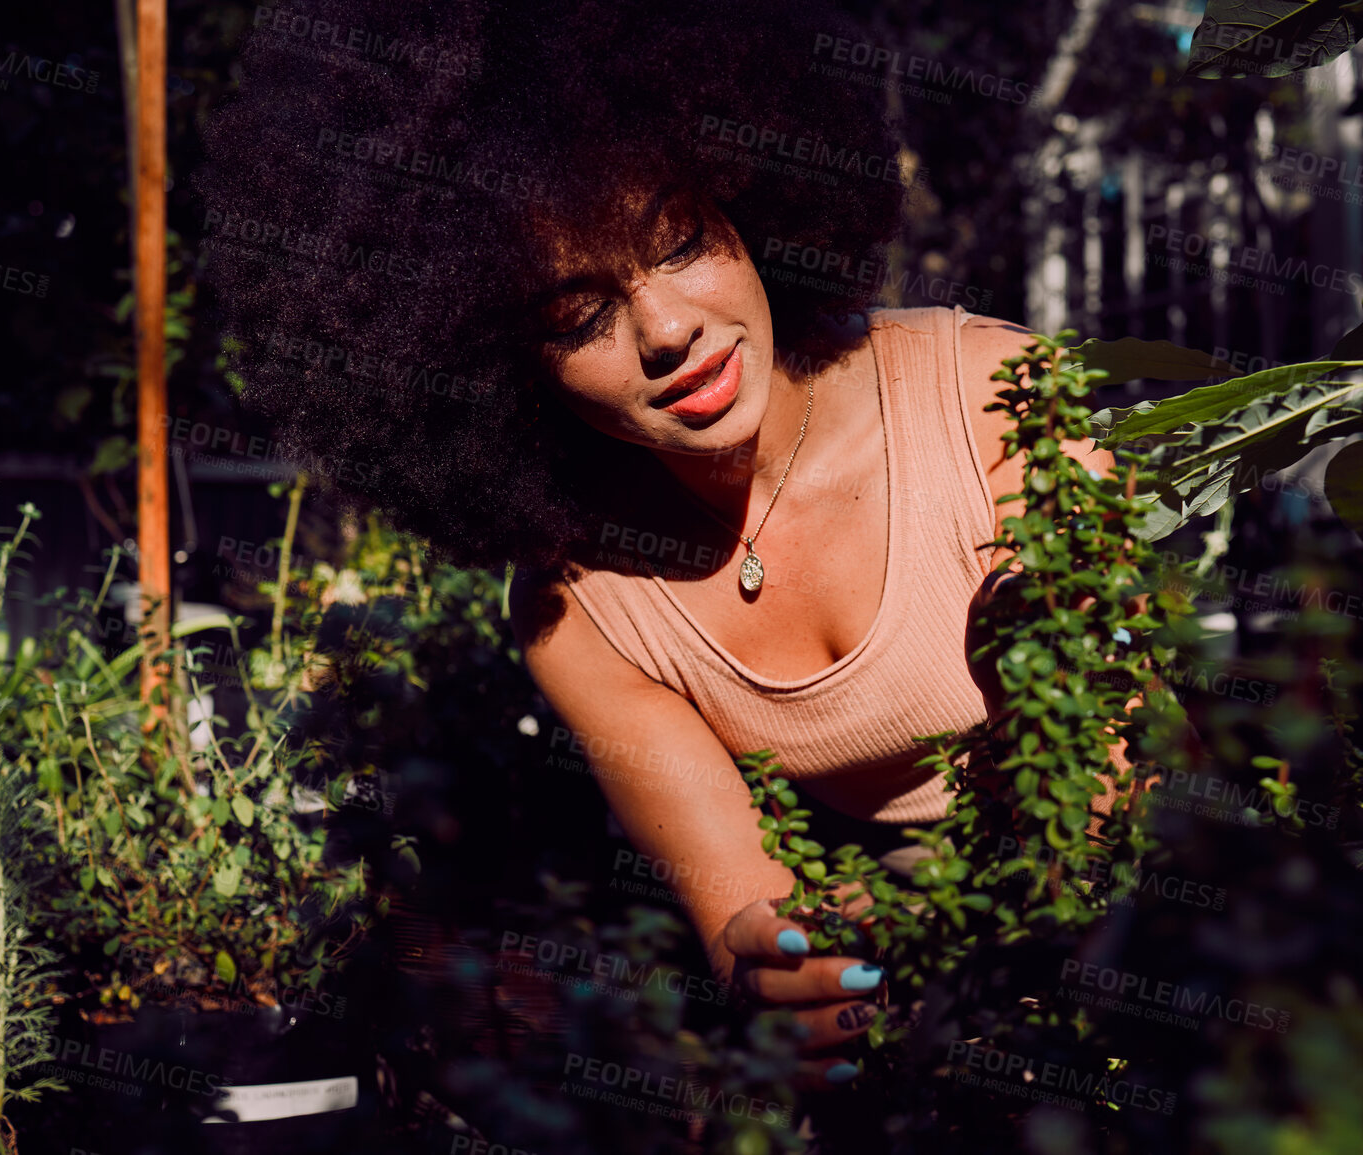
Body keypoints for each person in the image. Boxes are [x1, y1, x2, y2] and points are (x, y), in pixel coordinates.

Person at [198, 0, 1111, 1087]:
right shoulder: (581, 606)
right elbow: (749, 914)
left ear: (748, 200)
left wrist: (942, 926)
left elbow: (1107, 775)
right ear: (498, 364)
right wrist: (790, 975)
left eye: (679, 241)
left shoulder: (995, 405)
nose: (666, 328)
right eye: (578, 313)